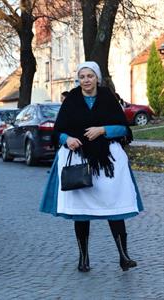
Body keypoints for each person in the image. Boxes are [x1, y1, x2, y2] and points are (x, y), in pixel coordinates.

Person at [40, 61, 143, 273]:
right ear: (78, 79)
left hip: (107, 162)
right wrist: (67, 139)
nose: (86, 80)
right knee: (81, 211)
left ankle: (124, 256)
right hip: (79, 159)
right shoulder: (72, 100)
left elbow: (124, 129)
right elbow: (58, 131)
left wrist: (102, 130)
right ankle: (84, 258)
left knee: (115, 207)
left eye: (90, 76)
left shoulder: (108, 97)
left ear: (97, 77)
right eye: (82, 76)